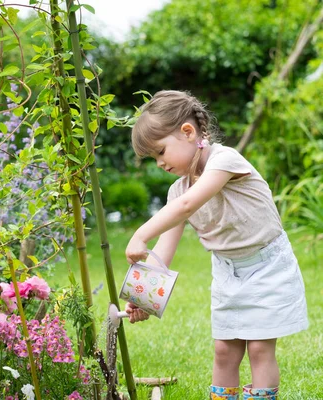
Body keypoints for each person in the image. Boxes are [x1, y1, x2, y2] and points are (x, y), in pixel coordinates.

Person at [124, 90, 308, 400]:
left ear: (187, 132)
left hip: (268, 266)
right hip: (227, 271)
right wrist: (142, 297)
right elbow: (161, 253)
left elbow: (186, 206)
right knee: (224, 350)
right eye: (153, 158)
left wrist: (139, 233)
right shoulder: (178, 190)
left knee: (260, 348)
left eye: (160, 152)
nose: (158, 163)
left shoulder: (225, 161)